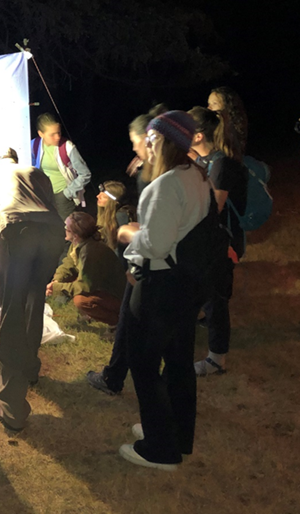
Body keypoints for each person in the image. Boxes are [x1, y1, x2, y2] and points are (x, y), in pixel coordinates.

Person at [118, 111, 211, 471]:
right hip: (186, 281)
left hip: (161, 283)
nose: (148, 146)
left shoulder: (168, 183)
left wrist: (126, 233)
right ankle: (177, 433)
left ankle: (159, 447)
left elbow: (155, 244)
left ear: (168, 142)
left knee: (142, 361)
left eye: (153, 140)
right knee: (177, 361)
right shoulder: (196, 174)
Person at [0, 149, 65, 432]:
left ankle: (12, 406)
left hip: (16, 231)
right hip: (51, 231)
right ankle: (30, 368)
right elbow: (52, 210)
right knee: (34, 302)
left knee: (12, 312)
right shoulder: (34, 173)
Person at [87, 106, 165, 398]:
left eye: (135, 140)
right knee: (134, 323)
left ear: (150, 139)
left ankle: (123, 379)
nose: (132, 147)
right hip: (153, 262)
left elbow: (155, 227)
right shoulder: (165, 172)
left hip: (151, 262)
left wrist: (128, 235)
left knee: (137, 326)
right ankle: (116, 376)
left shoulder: (159, 179)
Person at [188, 106, 248, 375]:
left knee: (215, 300)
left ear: (199, 136)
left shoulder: (221, 163)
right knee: (202, 295)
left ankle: (216, 359)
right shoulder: (204, 160)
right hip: (206, 241)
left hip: (220, 243)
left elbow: (214, 206)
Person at [45, 212, 126, 326]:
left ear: (75, 234)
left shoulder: (90, 252)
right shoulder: (78, 244)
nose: (64, 229)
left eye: (66, 228)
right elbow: (68, 264)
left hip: (115, 295)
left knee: (82, 301)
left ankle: (118, 323)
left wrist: (58, 287)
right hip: (101, 288)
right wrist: (57, 280)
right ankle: (89, 315)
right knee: (70, 279)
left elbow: (85, 286)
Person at [30, 112, 91, 220]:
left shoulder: (67, 147)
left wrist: (67, 193)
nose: (57, 137)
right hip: (44, 196)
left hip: (62, 197)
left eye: (59, 132)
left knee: (67, 230)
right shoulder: (34, 145)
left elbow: (85, 174)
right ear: (41, 134)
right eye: (52, 134)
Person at [208, 87, 248, 155]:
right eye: (209, 104)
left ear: (227, 105)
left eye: (214, 103)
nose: (209, 108)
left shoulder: (233, 128)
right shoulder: (210, 125)